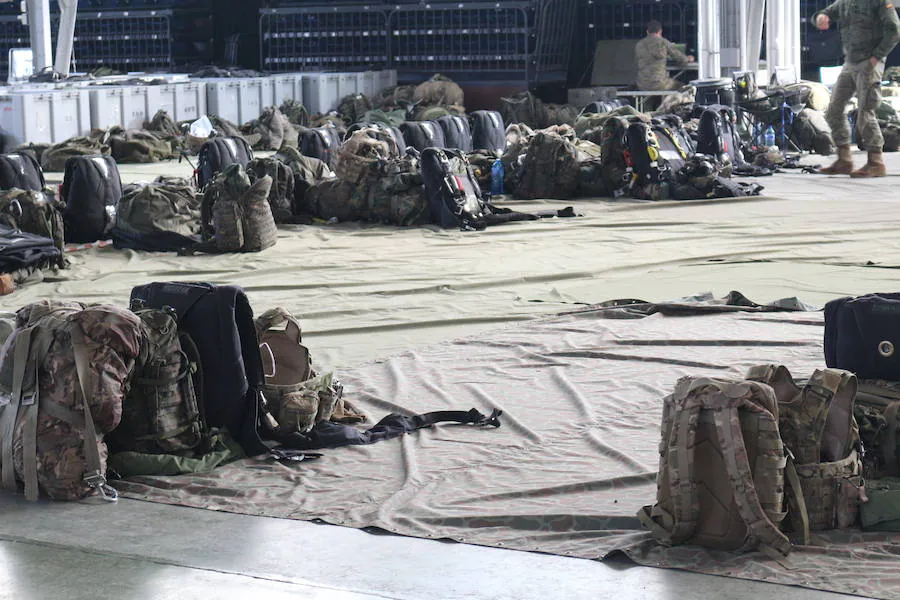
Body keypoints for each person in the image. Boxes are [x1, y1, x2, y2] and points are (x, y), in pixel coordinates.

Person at [816, 0, 900, 178]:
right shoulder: (845, 1)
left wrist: (877, 56)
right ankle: (844, 159)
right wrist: (821, 17)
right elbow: (828, 12)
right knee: (833, 111)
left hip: (869, 62)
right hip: (851, 62)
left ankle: (876, 162)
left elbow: (894, 29)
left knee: (865, 113)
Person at [635, 20, 695, 92]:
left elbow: (636, 63)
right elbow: (680, 58)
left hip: (642, 84)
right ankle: (670, 103)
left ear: (647, 31)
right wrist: (688, 58)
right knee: (682, 87)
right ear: (660, 31)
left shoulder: (639, 44)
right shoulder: (663, 42)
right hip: (660, 83)